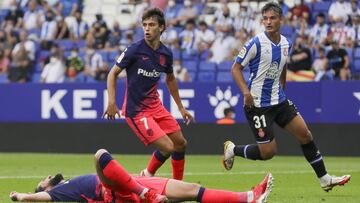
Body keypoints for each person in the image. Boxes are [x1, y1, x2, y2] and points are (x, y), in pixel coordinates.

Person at [223, 2, 351, 192]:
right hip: (258, 105)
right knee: (268, 153)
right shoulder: (255, 43)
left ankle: (324, 179)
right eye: (265, 18)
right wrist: (245, 92)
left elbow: (282, 66)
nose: (268, 22)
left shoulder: (285, 43)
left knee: (305, 134)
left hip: (280, 101)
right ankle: (232, 149)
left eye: (272, 18)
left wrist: (283, 86)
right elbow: (235, 68)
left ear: (281, 20)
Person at [103, 8, 193, 181]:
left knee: (180, 144)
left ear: (161, 28)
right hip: (136, 112)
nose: (147, 29)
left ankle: (177, 185)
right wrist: (112, 102)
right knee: (168, 147)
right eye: (144, 25)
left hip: (156, 106)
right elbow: (112, 74)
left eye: (151, 25)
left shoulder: (166, 54)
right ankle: (147, 175)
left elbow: (171, 79)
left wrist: (181, 108)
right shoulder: (134, 50)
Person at [9, 149, 274, 203]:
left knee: (192, 189)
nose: (47, 177)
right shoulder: (58, 192)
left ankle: (248, 197)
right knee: (101, 155)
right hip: (113, 191)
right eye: (43, 180)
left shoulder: (66, 184)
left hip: (128, 184)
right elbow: (41, 197)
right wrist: (22, 196)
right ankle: (145, 192)